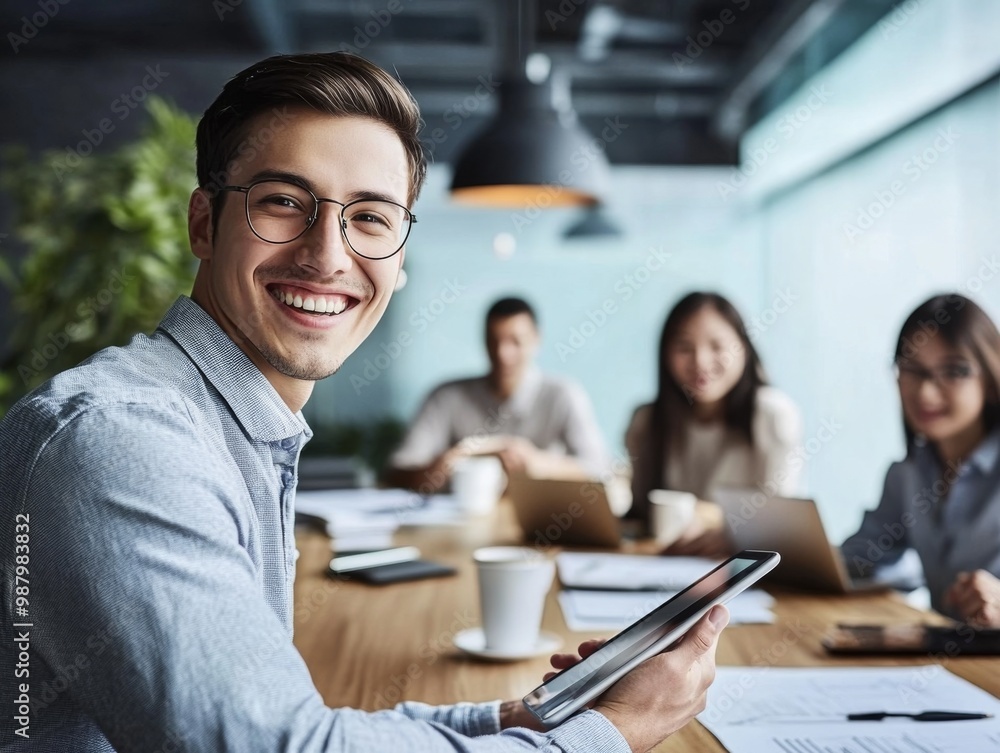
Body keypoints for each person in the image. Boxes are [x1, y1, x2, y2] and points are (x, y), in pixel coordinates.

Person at [0, 52, 727, 753]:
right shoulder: (124, 439)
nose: (328, 253)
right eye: (284, 202)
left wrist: (518, 719)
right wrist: (609, 735)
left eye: (372, 218)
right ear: (203, 223)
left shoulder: (239, 429)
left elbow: (293, 727)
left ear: (400, 259)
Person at [841, 294, 1000, 627]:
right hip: (946, 663)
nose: (926, 392)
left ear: (990, 374)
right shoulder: (908, 474)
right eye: (912, 369)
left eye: (953, 371)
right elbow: (859, 558)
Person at [625, 292, 803, 555]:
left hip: (745, 571)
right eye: (684, 348)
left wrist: (734, 534)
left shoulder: (772, 414)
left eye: (717, 346)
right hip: (670, 565)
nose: (700, 362)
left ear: (743, 348)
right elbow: (639, 513)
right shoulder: (648, 421)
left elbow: (782, 521)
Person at [389, 297, 610, 493]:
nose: (503, 354)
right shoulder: (446, 396)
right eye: (494, 341)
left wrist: (536, 463)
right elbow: (396, 472)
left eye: (515, 341)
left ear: (536, 340)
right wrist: (447, 463)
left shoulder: (564, 395)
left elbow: (600, 470)